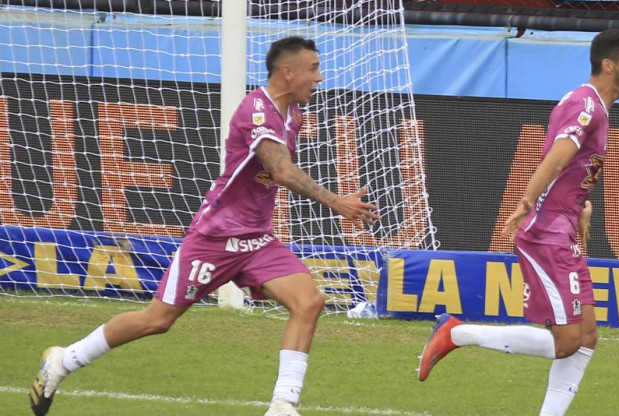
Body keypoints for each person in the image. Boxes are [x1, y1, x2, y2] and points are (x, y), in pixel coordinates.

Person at [29, 36, 380, 416]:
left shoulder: (294, 114)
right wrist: (336, 202)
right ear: (287, 71)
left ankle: (282, 406)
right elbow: (280, 169)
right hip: (214, 238)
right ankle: (65, 359)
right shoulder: (255, 112)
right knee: (156, 320)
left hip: (257, 240)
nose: (320, 77)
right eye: (313, 68)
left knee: (309, 301)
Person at [417, 29, 619, 416]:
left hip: (564, 228)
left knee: (587, 335)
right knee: (566, 342)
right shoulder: (586, 106)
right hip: (547, 233)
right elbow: (558, 157)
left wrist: (581, 208)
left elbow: (571, 169)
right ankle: (455, 333)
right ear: (609, 64)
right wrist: (527, 200)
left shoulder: (592, 106)